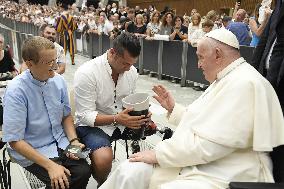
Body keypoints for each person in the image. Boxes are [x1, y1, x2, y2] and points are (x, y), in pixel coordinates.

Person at [99, 28, 284, 189]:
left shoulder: (245, 83)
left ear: (218, 54)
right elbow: (207, 123)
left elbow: (212, 145)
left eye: (201, 57)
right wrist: (174, 109)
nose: (198, 64)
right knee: (129, 170)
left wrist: (159, 154)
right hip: (205, 161)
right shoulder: (227, 77)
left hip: (229, 170)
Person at [2, 36, 91, 189]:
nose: (56, 66)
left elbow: (66, 115)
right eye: (49, 62)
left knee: (84, 171)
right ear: (29, 64)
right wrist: (50, 166)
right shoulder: (16, 91)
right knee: (62, 182)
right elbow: (15, 140)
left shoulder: (59, 81)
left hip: (60, 141)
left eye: (56, 60)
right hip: (32, 149)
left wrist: (74, 141)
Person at [74, 32, 149, 187]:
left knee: (159, 132)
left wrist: (142, 113)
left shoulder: (131, 71)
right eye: (125, 64)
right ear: (113, 53)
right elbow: (84, 116)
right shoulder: (87, 72)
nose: (129, 69)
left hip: (121, 120)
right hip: (93, 125)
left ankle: (137, 179)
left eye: (132, 64)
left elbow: (128, 102)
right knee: (103, 159)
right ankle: (103, 184)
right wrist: (117, 119)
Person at [252, 0, 284, 182]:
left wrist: (270, 86)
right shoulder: (278, 5)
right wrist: (250, 75)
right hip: (265, 76)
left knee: (277, 138)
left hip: (278, 82)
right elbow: (264, 42)